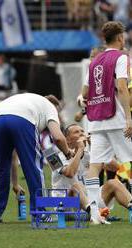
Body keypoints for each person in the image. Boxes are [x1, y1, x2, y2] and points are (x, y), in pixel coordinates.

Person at [0, 93, 74, 223]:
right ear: (55, 107)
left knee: (0, 166)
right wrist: (68, 152)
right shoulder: (50, 108)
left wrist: (15, 184)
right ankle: (40, 212)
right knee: (33, 166)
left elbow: (12, 157)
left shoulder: (30, 101)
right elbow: (58, 137)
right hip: (22, 119)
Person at [81, 21, 132, 224]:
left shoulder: (95, 61)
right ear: (120, 37)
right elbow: (121, 87)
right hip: (116, 117)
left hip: (96, 120)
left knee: (94, 166)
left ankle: (95, 214)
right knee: (129, 161)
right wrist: (129, 117)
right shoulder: (121, 57)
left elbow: (85, 92)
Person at [52, 124, 132, 220]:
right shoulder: (53, 157)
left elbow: (115, 167)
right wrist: (80, 149)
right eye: (76, 132)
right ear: (67, 139)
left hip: (88, 200)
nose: (81, 134)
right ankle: (94, 213)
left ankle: (128, 208)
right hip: (65, 205)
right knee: (76, 186)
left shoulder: (88, 155)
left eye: (82, 131)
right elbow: (70, 173)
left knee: (113, 183)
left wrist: (96, 148)